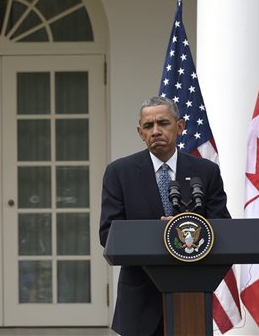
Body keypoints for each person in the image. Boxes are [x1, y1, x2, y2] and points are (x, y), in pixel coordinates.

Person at [99, 96, 231, 336]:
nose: (156, 131)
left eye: (163, 123)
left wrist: (187, 228)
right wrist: (163, 234)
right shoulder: (119, 173)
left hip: (191, 298)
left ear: (180, 127)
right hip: (139, 299)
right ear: (140, 133)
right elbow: (109, 234)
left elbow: (222, 227)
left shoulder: (206, 171)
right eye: (148, 126)